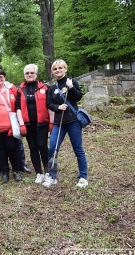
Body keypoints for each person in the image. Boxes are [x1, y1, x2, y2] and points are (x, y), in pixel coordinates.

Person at [44, 59, 88, 188]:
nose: (58, 70)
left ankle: (83, 177)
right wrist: (58, 107)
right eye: (55, 69)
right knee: (52, 148)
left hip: (73, 121)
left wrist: (71, 87)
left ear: (65, 69)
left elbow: (78, 97)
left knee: (78, 149)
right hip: (59, 123)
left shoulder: (72, 82)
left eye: (60, 68)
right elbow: (49, 104)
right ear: (53, 71)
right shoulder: (52, 88)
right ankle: (52, 176)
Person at [16, 64, 54, 184]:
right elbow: (18, 108)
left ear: (36, 74)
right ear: (24, 75)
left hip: (42, 123)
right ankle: (39, 173)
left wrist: (51, 122)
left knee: (42, 146)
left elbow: (50, 106)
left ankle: (48, 172)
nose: (30, 75)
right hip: (28, 124)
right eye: (27, 73)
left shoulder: (45, 88)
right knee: (32, 147)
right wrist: (21, 124)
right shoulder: (20, 90)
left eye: (32, 73)